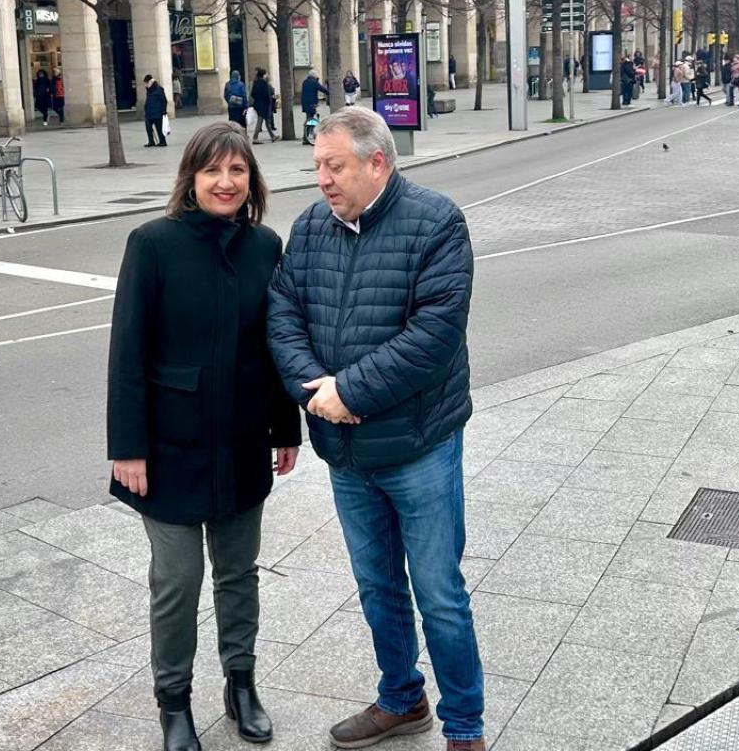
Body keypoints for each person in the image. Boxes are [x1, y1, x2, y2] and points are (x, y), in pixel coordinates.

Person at [267, 109, 486, 751]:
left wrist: (350, 391)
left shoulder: (436, 222)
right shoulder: (310, 227)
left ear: (377, 163)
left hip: (419, 445)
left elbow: (436, 335)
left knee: (440, 592)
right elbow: (283, 315)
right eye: (317, 167)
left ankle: (465, 728)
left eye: (334, 166)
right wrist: (318, 390)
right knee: (377, 584)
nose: (323, 180)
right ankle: (402, 698)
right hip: (347, 451)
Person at [109, 121, 302, 751]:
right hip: (167, 448)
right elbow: (127, 352)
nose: (226, 182)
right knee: (179, 579)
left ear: (252, 181)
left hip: (243, 439)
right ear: (190, 179)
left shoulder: (264, 247)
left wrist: (285, 425)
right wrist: (127, 447)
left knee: (238, 572)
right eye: (213, 170)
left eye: (238, 171)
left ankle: (240, 685)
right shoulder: (152, 244)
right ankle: (174, 703)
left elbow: (276, 348)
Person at [300, 71, 329, 146]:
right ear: (314, 76)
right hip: (312, 103)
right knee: (310, 121)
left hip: (305, 103)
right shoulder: (314, 82)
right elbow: (322, 89)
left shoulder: (305, 82)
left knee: (308, 119)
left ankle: (305, 138)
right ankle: (306, 138)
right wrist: (329, 92)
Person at [250, 68, 278, 143]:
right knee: (261, 121)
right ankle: (255, 138)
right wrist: (269, 103)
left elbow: (252, 94)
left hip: (257, 104)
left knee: (266, 121)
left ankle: (273, 136)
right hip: (264, 105)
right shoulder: (264, 83)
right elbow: (267, 95)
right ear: (263, 75)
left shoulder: (255, 83)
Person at [143, 74, 169, 147]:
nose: (145, 85)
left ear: (149, 82)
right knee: (148, 127)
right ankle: (151, 141)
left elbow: (164, 100)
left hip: (157, 112)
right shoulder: (149, 89)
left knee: (159, 128)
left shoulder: (158, 88)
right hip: (149, 112)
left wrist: (163, 110)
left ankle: (162, 141)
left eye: (146, 83)